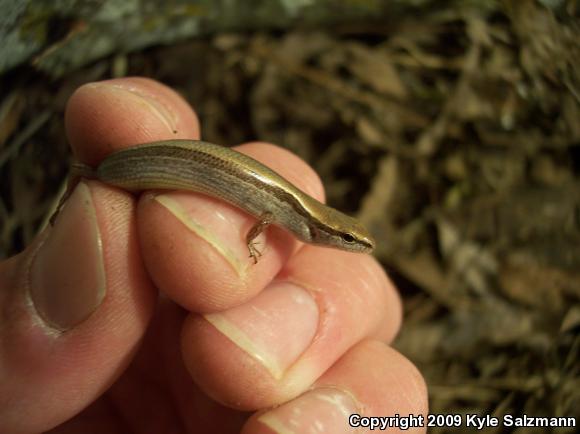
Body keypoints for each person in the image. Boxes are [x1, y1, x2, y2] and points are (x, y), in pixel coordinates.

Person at [0, 78, 427, 433]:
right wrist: (252, 240)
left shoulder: (297, 221)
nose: (355, 247)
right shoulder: (295, 219)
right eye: (349, 240)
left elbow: (265, 216)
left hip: (156, 170)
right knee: (112, 174)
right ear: (329, 231)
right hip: (153, 162)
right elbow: (262, 216)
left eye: (351, 241)